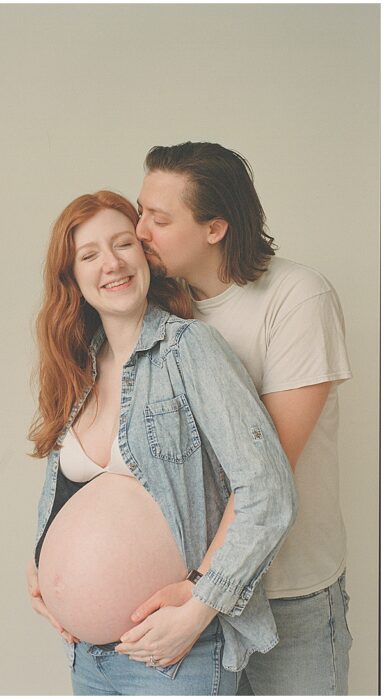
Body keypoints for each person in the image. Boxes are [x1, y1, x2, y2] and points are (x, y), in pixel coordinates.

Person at [26, 191, 297, 695]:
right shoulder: (77, 370)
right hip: (87, 656)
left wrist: (199, 606)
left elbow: (268, 489)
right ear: (73, 278)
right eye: (89, 255)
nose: (111, 263)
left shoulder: (189, 349)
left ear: (145, 254)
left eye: (123, 243)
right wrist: (42, 566)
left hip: (176, 653)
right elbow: (73, 494)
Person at [132, 142, 352, 694]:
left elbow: (265, 473)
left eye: (159, 219)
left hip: (286, 597)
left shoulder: (297, 298)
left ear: (215, 228)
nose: (140, 232)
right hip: (183, 591)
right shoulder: (155, 310)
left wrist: (205, 593)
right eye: (141, 212)